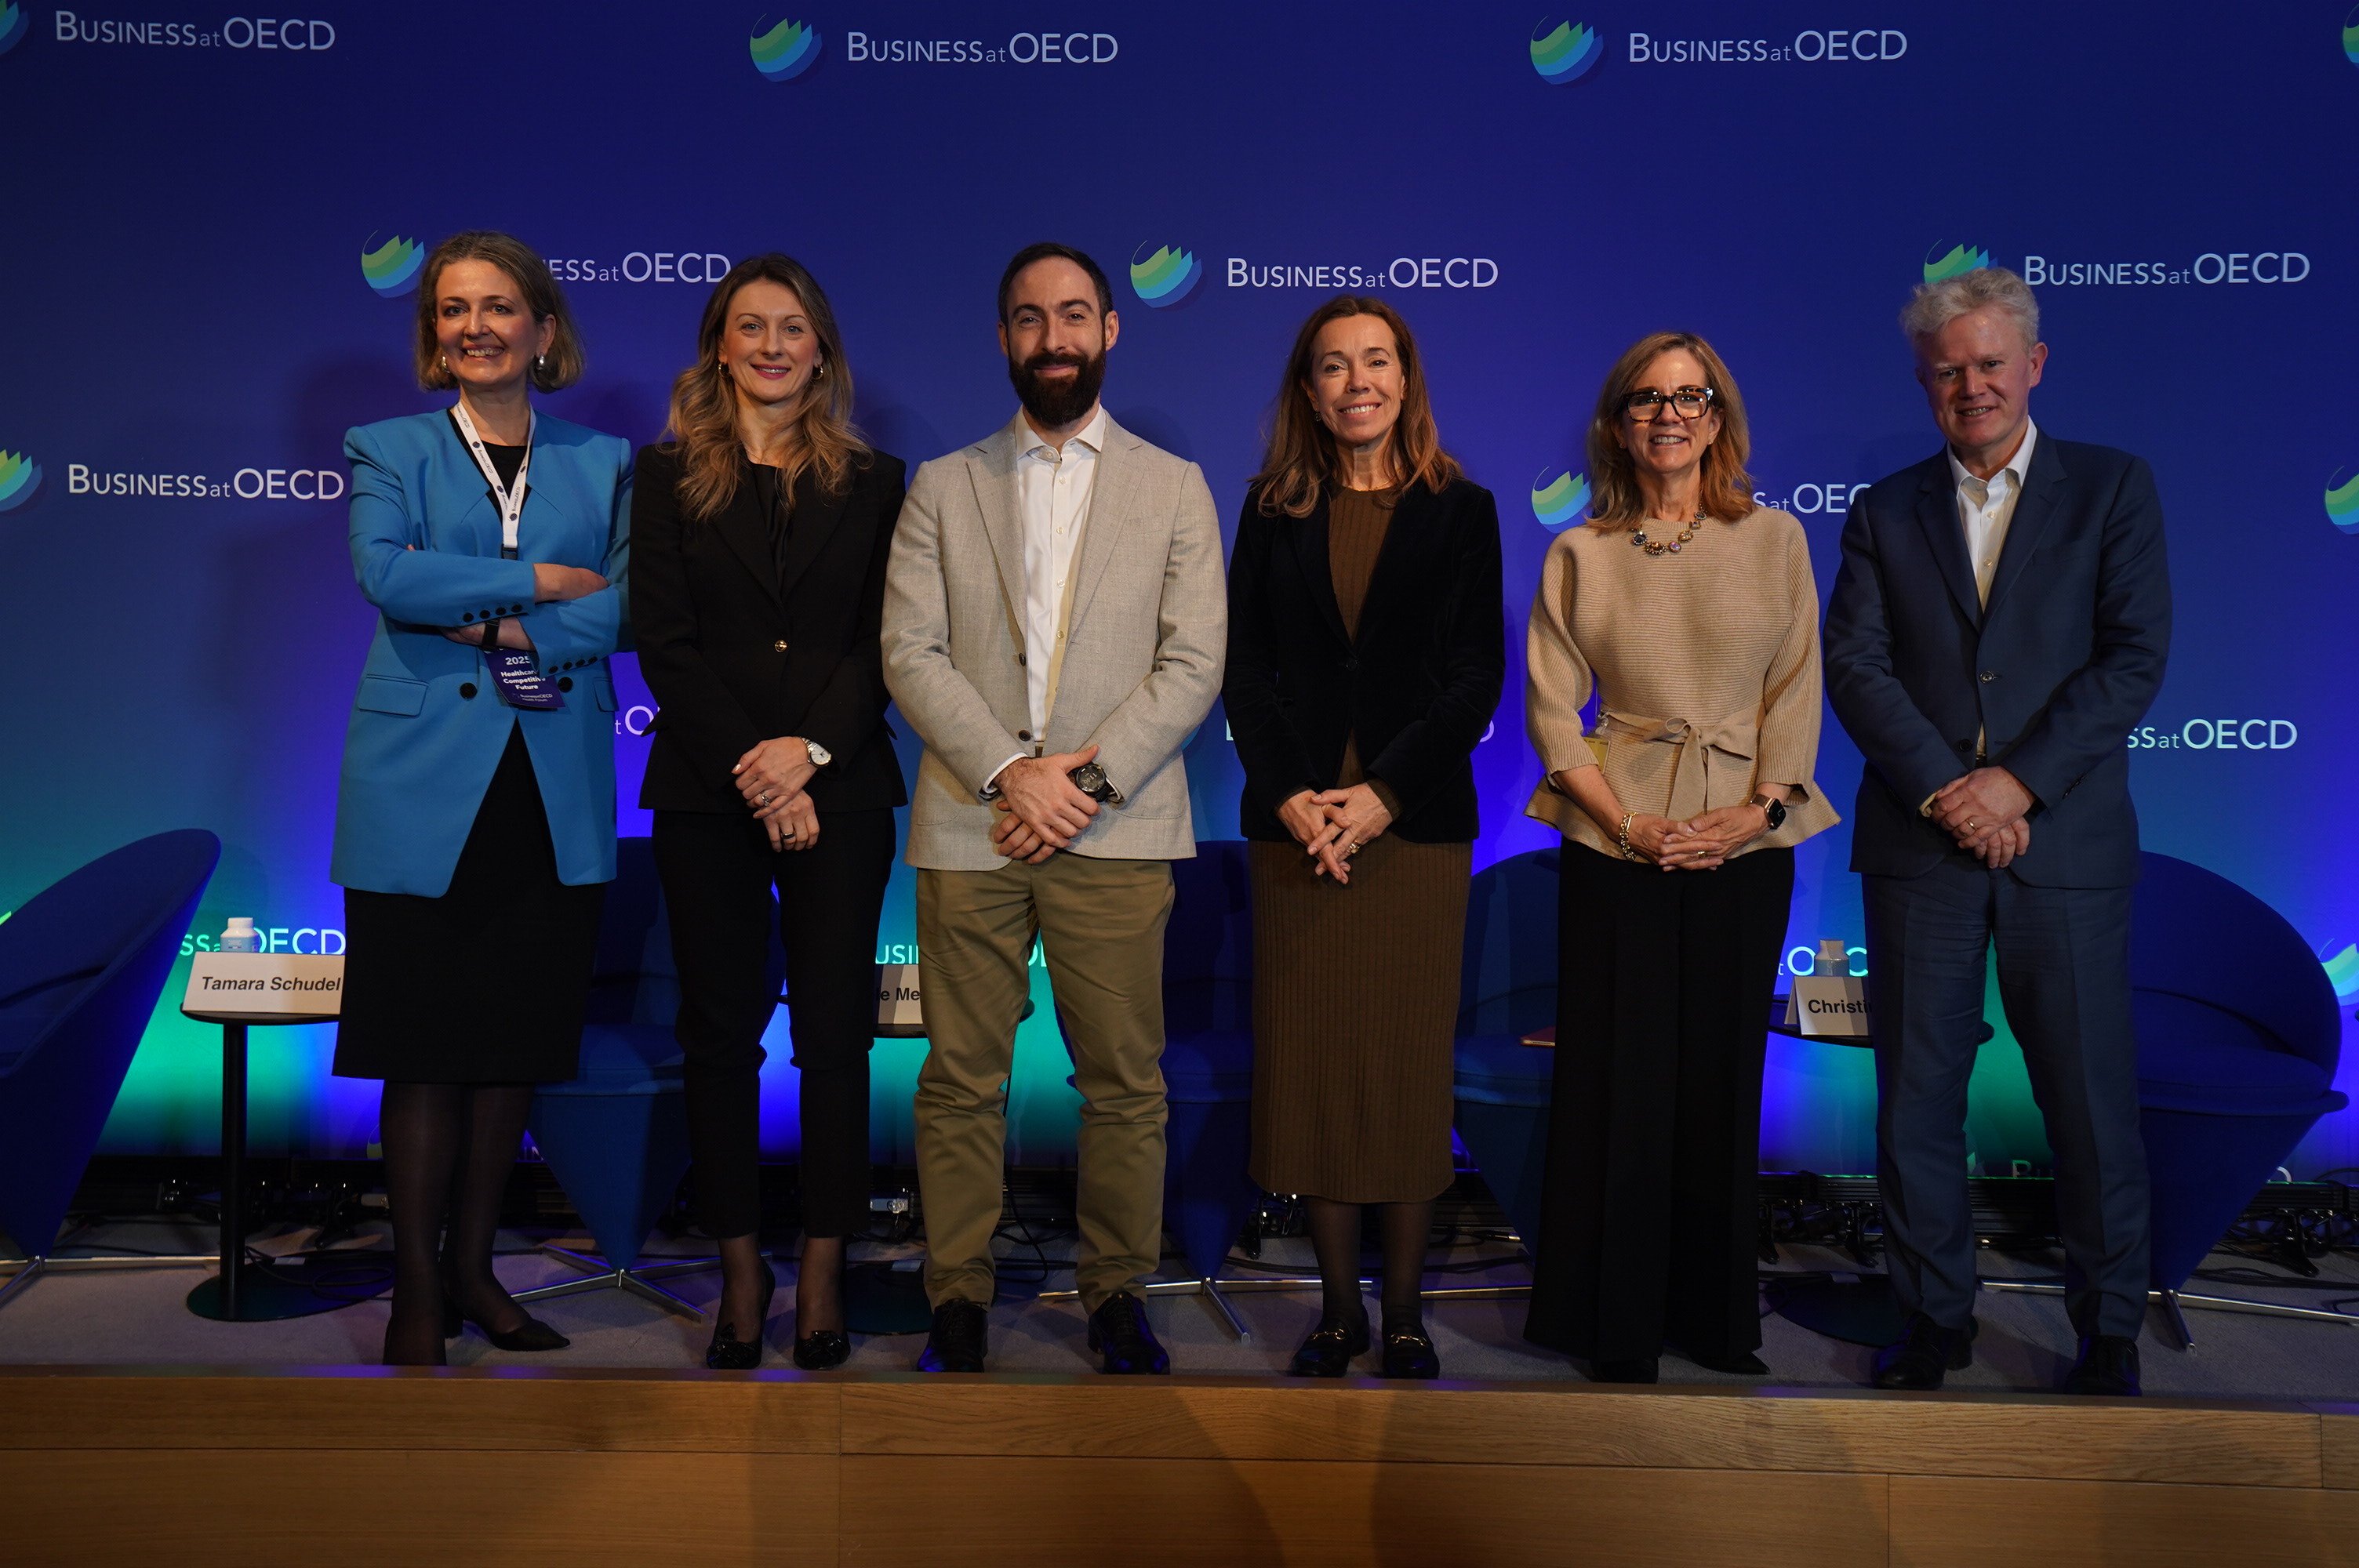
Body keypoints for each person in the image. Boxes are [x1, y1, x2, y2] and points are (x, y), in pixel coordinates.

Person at [1825, 267, 2170, 1397]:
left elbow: (2132, 661)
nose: (1969, 387)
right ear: (1924, 385)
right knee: (1917, 1098)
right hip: (1922, 846)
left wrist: (2014, 786)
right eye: (1946, 372)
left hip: (2062, 843)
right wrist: (1950, 791)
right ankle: (1933, 1319)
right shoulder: (1883, 509)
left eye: (1987, 364)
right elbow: (1858, 671)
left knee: (2087, 1097)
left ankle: (2109, 1327)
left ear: (2035, 364)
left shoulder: (2114, 488)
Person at [881, 241, 1226, 1375]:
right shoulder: (942, 483)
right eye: (1030, 319)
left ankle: (1117, 1292)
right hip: (970, 821)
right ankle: (957, 1299)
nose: (1053, 338)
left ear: (1111, 330)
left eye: (1074, 316)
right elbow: (910, 654)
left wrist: (1075, 786)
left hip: (1115, 829)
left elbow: (1194, 663)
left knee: (1125, 1083)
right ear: (1003, 340)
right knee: (957, 1081)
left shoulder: (1175, 486)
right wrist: (1008, 774)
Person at [330, 230, 632, 1367]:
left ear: (542, 331)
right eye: (454, 310)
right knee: (422, 1051)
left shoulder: (605, 463)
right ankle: (417, 1289)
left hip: (547, 791)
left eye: (499, 307)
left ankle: (476, 1273)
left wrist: (499, 621)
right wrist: (538, 583)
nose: (476, 327)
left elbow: (630, 612)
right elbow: (387, 573)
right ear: (434, 334)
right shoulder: (388, 445)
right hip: (417, 792)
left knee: (510, 1052)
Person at [1521, 332, 1835, 1383]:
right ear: (1618, 422)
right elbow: (1556, 718)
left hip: (1748, 845)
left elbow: (1797, 693)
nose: (1670, 414)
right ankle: (1606, 1323)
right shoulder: (1582, 552)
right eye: (1647, 399)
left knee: (1718, 1083)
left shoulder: (1777, 540)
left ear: (1718, 417)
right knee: (1616, 1084)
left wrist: (1758, 813)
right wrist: (1627, 824)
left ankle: (1714, 1321)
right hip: (1619, 846)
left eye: (1691, 396)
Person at [631, 256, 906, 1370]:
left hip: (844, 788)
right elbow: (666, 643)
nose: (773, 346)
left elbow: (891, 643)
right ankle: (743, 1272)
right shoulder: (664, 479)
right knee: (719, 1038)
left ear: (822, 350)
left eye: (793, 328)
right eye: (751, 327)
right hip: (708, 789)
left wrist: (809, 756)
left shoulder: (882, 481)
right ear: (719, 347)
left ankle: (826, 1267)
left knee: (836, 1037)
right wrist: (756, 765)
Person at [1222, 296, 1503, 1379]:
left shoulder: (1462, 509)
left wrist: (1381, 793)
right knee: (1315, 1067)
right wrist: (1296, 793)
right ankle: (1339, 1310)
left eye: (1376, 362)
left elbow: (1475, 677)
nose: (1357, 383)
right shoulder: (1269, 509)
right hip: (1295, 831)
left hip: (1414, 828)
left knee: (1398, 1068)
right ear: (1308, 389)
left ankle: (1406, 1315)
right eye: (1334, 367)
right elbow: (1246, 671)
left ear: (1406, 378)